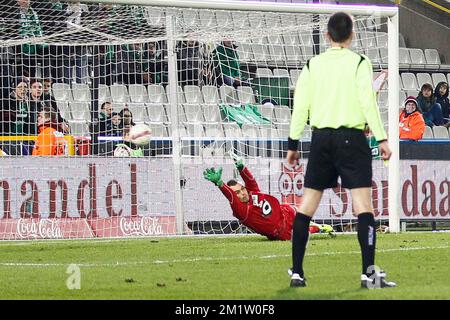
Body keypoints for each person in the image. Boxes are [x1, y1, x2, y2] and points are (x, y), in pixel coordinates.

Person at [286, 12, 395, 289]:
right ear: (352, 35)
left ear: (327, 35)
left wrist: (292, 143)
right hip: (352, 139)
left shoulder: (313, 64)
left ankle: (297, 272)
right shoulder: (360, 62)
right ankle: (368, 274)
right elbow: (367, 102)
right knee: (363, 207)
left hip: (321, 139)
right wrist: (381, 138)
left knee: (307, 206)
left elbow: (300, 106)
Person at [203, 152, 333, 241]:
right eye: (238, 193)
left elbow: (251, 182)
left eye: (242, 189)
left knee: (303, 218)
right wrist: (220, 183)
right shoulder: (241, 211)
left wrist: (242, 168)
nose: (242, 193)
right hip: (282, 232)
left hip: (286, 211)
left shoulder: (252, 192)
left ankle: (310, 224)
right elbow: (229, 195)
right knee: (304, 233)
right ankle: (319, 228)